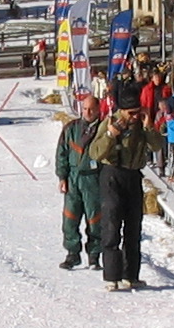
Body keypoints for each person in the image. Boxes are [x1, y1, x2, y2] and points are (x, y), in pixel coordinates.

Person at [88, 98, 159, 291]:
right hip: (112, 175)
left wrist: (149, 127)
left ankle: (131, 275)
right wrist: (111, 135)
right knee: (112, 225)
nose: (135, 117)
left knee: (133, 228)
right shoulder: (110, 123)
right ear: (122, 111)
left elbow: (157, 146)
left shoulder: (141, 125)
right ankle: (112, 276)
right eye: (131, 113)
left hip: (133, 176)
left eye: (138, 112)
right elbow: (94, 153)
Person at [55, 93, 105, 270]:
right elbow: (62, 153)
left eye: (91, 109)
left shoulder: (104, 130)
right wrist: (62, 176)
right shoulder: (71, 128)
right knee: (70, 218)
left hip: (94, 179)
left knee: (95, 219)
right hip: (73, 179)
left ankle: (94, 256)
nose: (88, 112)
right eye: (85, 108)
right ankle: (72, 254)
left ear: (99, 109)